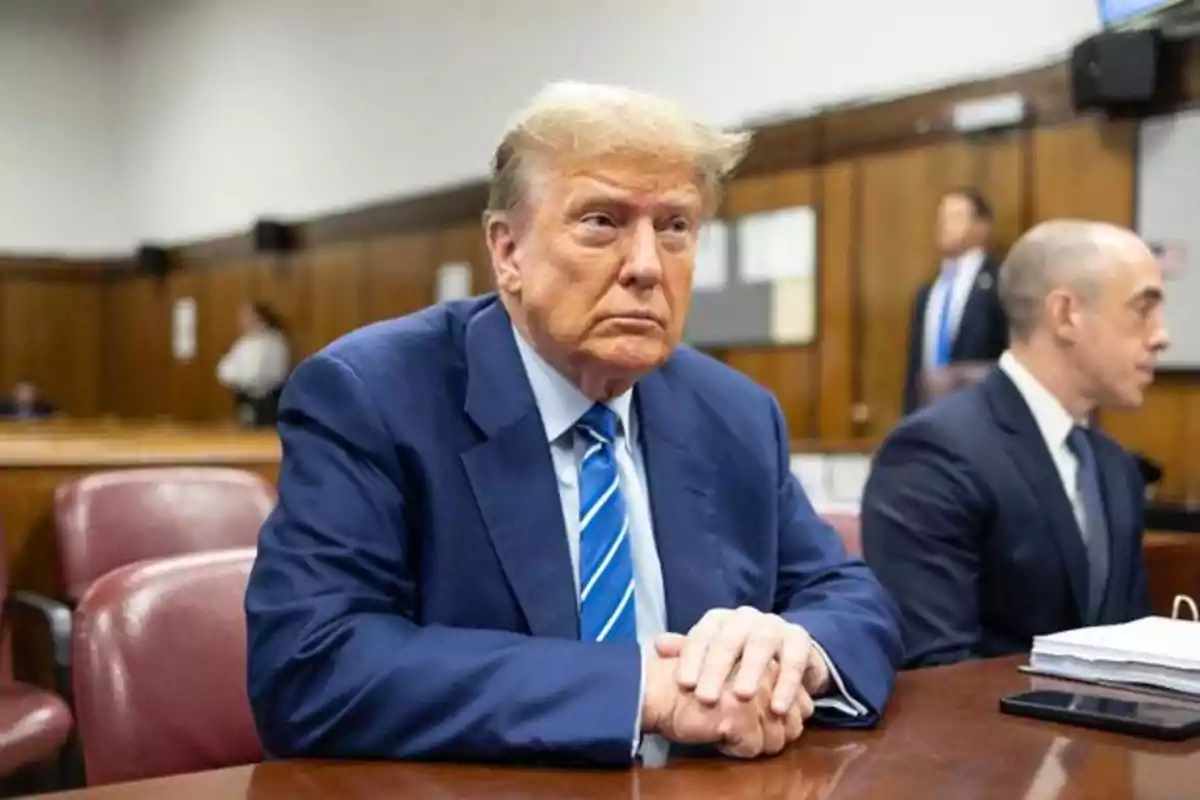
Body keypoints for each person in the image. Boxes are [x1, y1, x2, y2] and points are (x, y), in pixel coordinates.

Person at [245, 81, 902, 766]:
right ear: (508, 253)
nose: (647, 266)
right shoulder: (372, 397)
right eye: (601, 222)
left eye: (674, 227)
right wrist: (641, 689)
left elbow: (849, 597)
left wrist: (794, 653)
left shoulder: (732, 411)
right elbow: (312, 667)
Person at [862, 220, 1169, 669]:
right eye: (1143, 310)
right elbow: (938, 671)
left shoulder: (1114, 468)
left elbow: (1130, 646)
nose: (1162, 335)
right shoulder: (933, 455)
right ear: (1066, 315)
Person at [901, 188, 1008, 415]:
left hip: (982, 415)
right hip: (929, 414)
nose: (943, 226)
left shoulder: (1001, 282)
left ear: (982, 227)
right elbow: (916, 367)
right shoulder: (928, 291)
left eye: (955, 217)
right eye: (941, 218)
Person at [217, 302, 291, 427]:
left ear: (258, 317)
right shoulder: (246, 341)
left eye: (246, 316)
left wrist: (239, 377)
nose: (242, 321)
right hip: (245, 396)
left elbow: (261, 375)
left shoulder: (272, 342)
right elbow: (225, 368)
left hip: (265, 399)